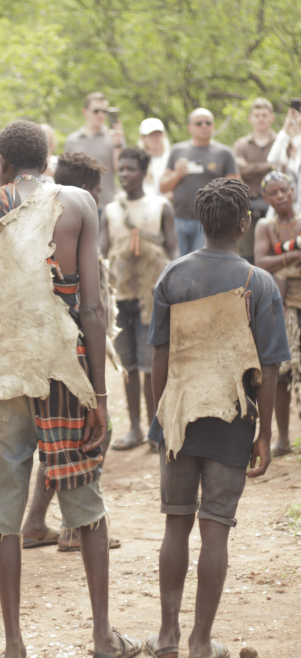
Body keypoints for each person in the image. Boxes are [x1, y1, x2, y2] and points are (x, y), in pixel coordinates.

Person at [0, 121, 143, 658]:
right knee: (85, 501)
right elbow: (92, 305)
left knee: (3, 517)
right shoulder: (79, 204)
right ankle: (103, 636)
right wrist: (101, 397)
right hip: (66, 370)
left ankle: (15, 643)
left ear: (0, 162)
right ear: (45, 160)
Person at [145, 178, 288, 658]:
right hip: (233, 419)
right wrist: (265, 434)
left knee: (175, 524)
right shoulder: (258, 283)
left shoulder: (173, 276)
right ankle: (201, 641)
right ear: (245, 223)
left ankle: (165, 637)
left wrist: (160, 417)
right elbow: (268, 368)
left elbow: (158, 360)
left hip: (181, 415)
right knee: (215, 528)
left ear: (200, 221)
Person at [20, 150, 121, 554]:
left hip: (29, 345)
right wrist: (99, 387)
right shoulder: (74, 218)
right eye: (96, 192)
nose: (98, 199)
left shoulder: (24, 217)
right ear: (82, 191)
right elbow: (89, 307)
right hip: (69, 349)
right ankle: (74, 527)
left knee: (53, 436)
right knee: (87, 434)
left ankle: (35, 522)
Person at [101, 148, 178, 452]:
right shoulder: (110, 210)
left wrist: (171, 284)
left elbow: (173, 250)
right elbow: (102, 251)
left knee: (151, 366)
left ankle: (155, 428)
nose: (125, 174)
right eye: (121, 168)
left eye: (131, 169)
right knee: (129, 366)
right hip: (121, 296)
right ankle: (134, 428)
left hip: (152, 296)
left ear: (144, 171)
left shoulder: (160, 206)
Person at [254, 171, 301, 457]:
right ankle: (282, 440)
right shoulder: (265, 226)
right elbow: (261, 261)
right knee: (282, 374)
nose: (281, 196)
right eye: (275, 193)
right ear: (266, 197)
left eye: (285, 189)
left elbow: (271, 260)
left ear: (293, 190)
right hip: (282, 308)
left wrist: (281, 256)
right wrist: (294, 254)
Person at [160, 108, 239, 255]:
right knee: (177, 263)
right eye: (199, 123)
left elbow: (236, 189)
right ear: (189, 127)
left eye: (208, 123)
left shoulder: (224, 153)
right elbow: (163, 186)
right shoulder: (177, 150)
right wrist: (177, 174)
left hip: (210, 222)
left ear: (213, 126)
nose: (204, 126)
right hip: (180, 218)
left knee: (201, 264)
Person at [232, 98, 277, 263]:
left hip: (275, 204)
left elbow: (282, 169)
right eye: (257, 115)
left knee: (273, 250)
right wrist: (269, 166)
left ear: (272, 117)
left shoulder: (280, 142)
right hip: (247, 204)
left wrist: (249, 167)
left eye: (264, 115)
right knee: (246, 253)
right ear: (251, 118)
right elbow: (239, 171)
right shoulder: (241, 144)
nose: (261, 119)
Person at [64, 92, 126, 212]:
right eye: (96, 111)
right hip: (78, 205)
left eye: (104, 111)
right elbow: (67, 174)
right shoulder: (72, 140)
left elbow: (120, 169)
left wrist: (117, 144)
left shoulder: (114, 137)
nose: (101, 115)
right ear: (85, 112)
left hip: (107, 204)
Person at [266, 101, 301, 209]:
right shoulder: (283, 152)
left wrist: (297, 134)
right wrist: (285, 129)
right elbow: (271, 159)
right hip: (284, 209)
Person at [138, 118, 170, 197]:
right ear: (143, 138)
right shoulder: (138, 161)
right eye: (151, 135)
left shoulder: (171, 158)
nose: (155, 138)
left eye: (158, 134)